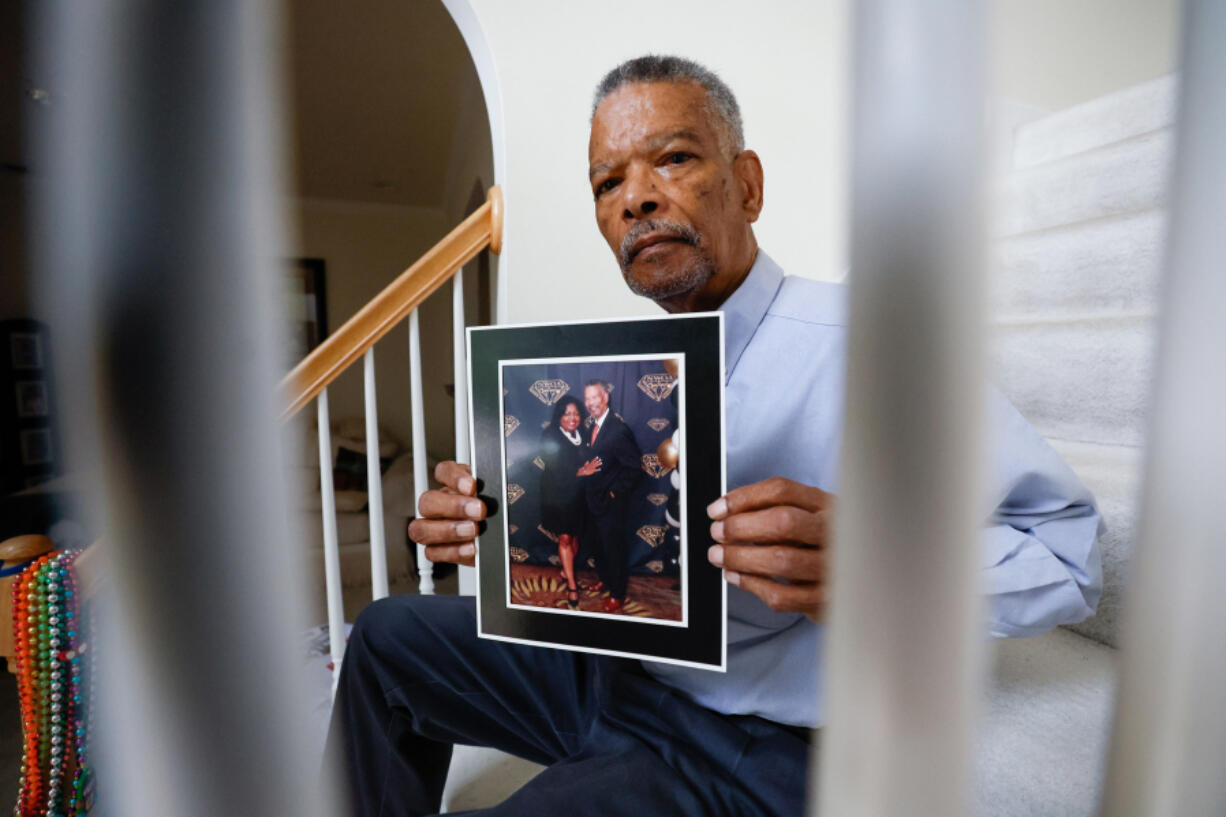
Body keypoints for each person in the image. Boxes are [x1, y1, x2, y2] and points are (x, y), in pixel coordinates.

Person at [327, 56, 1102, 817]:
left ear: (749, 185)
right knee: (387, 632)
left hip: (750, 742)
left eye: (671, 158)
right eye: (607, 183)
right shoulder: (624, 373)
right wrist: (490, 524)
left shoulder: (874, 349)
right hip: (616, 671)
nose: (635, 198)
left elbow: (1071, 551)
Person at [577, 379, 643, 613]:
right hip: (592, 501)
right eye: (587, 399)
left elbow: (635, 469)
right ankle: (605, 579)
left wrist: (614, 492)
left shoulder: (618, 429)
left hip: (611, 504)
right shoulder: (590, 427)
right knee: (598, 546)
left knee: (614, 550)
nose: (591, 403)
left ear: (605, 398)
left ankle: (617, 593)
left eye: (595, 397)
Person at [537, 394, 601, 608]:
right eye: (567, 414)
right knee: (564, 538)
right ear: (559, 416)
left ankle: (566, 571)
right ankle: (572, 585)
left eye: (576, 413)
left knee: (574, 538)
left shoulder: (582, 432)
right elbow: (554, 468)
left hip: (578, 495)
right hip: (557, 494)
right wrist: (582, 471)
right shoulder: (550, 435)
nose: (572, 418)